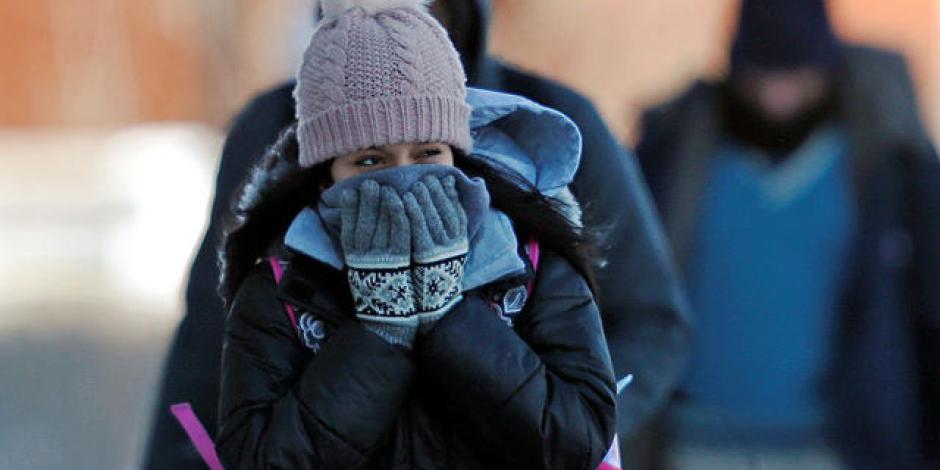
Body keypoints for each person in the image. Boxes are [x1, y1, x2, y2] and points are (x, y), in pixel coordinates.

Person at [142, 0, 691, 468]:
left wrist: (561, 416)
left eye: (427, 152)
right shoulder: (270, 129)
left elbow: (648, 322)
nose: (401, 177)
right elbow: (210, 341)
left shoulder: (549, 132)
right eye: (369, 160)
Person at [636, 0, 940, 468]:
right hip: (694, 442)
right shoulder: (674, 154)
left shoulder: (888, 168)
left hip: (838, 446)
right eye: (762, 77)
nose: (778, 97)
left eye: (797, 78)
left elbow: (922, 308)